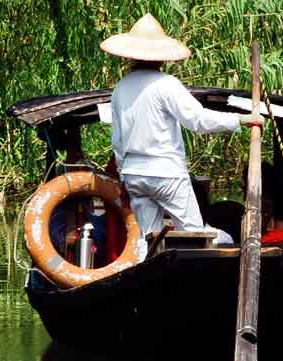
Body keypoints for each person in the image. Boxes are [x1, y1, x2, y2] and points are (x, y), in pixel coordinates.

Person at [100, 13, 263, 236]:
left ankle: (149, 267)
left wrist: (123, 174)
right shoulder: (166, 84)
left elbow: (117, 142)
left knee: (147, 237)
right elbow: (197, 120)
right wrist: (238, 120)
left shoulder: (120, 88)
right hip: (166, 173)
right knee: (194, 232)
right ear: (161, 57)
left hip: (134, 174)